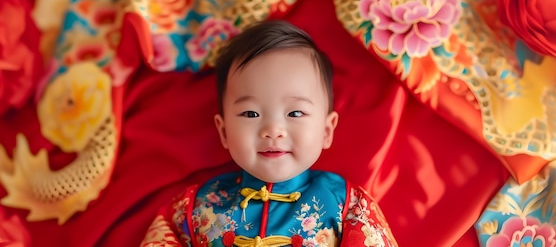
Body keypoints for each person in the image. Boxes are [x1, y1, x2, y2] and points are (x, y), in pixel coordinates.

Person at [140, 20, 399, 247]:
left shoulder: (348, 206)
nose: (273, 130)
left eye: (295, 113)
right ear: (224, 131)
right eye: (251, 114)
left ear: (326, 130)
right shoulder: (194, 208)